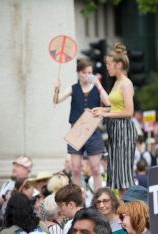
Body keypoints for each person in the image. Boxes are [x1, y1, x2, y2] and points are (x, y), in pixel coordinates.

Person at [53, 59, 109, 192]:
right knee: (76, 168)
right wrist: (56, 88)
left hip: (93, 131)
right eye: (85, 72)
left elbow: (108, 103)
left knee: (95, 168)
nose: (88, 75)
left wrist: (98, 85)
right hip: (76, 130)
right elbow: (56, 100)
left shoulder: (96, 88)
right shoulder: (74, 88)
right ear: (79, 73)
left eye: (90, 72)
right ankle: (78, 199)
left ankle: (97, 198)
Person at [92, 42, 137, 195]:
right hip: (115, 129)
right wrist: (102, 109)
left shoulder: (126, 84)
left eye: (109, 64)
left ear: (118, 64)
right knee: (117, 175)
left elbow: (129, 111)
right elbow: (116, 107)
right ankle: (124, 210)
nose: (107, 67)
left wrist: (106, 114)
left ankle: (129, 211)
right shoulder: (117, 82)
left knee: (123, 176)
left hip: (124, 130)